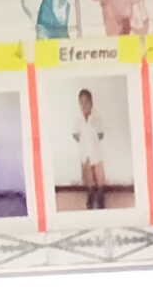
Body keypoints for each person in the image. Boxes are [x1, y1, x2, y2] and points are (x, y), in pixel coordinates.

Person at [67, 84, 111, 217]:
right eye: (81, 102)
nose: (83, 104)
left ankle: (101, 197)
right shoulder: (77, 118)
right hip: (84, 152)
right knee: (88, 179)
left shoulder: (96, 117)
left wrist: (93, 142)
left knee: (99, 178)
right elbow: (74, 133)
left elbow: (101, 133)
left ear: (91, 102)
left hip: (95, 152)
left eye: (86, 101)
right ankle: (91, 196)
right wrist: (82, 142)